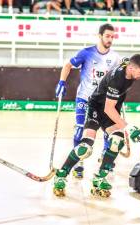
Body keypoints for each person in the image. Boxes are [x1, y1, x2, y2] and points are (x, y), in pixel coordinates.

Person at [53, 54, 140, 197]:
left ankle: (99, 178)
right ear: (130, 68)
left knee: (117, 141)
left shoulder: (127, 67)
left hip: (111, 107)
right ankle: (61, 175)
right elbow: (108, 109)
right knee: (85, 148)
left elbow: (125, 61)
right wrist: (128, 127)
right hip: (97, 108)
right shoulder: (117, 79)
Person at [55, 23, 120, 179]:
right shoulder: (87, 53)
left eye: (112, 36)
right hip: (84, 98)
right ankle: (78, 162)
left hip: (104, 101)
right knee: (80, 130)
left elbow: (118, 80)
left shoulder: (116, 58)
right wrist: (62, 82)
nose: (110, 39)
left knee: (109, 133)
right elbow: (68, 65)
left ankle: (105, 159)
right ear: (100, 36)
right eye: (107, 36)